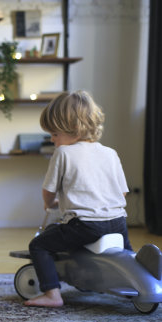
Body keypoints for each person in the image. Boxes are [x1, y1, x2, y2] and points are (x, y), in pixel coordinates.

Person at [25, 90, 133, 308]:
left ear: (72, 128)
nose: (53, 140)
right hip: (118, 221)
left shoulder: (63, 153)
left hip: (85, 224)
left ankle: (52, 294)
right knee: (126, 254)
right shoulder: (110, 153)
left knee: (39, 245)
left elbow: (49, 190)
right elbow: (122, 194)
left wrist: (48, 204)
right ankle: (133, 279)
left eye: (54, 134)